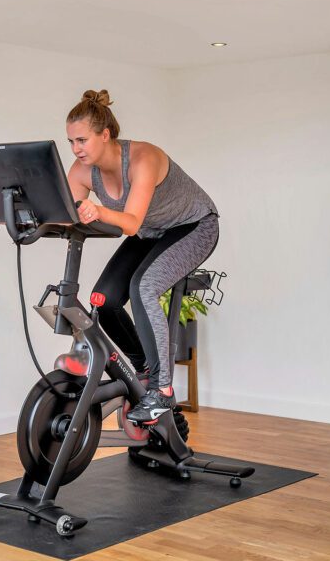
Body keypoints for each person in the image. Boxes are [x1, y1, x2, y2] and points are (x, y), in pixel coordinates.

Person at [65, 89, 219, 424]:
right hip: (152, 233)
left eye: (82, 140)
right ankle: (146, 373)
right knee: (103, 300)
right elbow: (67, 214)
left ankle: (162, 390)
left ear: (105, 135)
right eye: (71, 143)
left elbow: (130, 223)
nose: (76, 150)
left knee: (143, 287)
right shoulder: (81, 170)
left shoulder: (143, 157)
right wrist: (24, 213)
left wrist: (98, 210)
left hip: (192, 227)